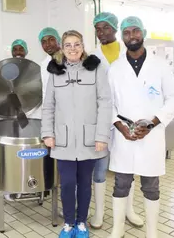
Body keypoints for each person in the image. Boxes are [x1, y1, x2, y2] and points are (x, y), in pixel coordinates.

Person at [107, 16, 174, 238]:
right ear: (122, 37)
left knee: (151, 186)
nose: (132, 35)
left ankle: (152, 233)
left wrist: (151, 124)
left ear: (144, 33)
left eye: (135, 31)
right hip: (124, 136)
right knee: (121, 184)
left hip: (151, 135)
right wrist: (120, 127)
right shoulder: (115, 68)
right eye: (127, 32)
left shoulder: (160, 65)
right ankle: (117, 229)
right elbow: (108, 103)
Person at [42, 30, 112, 238]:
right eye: (68, 45)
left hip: (89, 138)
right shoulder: (55, 72)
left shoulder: (95, 69)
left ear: (83, 46)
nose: (73, 48)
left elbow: (105, 103)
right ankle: (68, 223)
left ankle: (81, 223)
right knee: (67, 184)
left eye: (77, 44)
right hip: (62, 139)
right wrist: (48, 133)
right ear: (62, 49)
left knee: (84, 183)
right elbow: (48, 106)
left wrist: (101, 136)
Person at [90, 12, 143, 229]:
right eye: (97, 29)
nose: (101, 32)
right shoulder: (91, 57)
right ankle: (99, 212)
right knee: (100, 169)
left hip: (125, 120)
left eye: (105, 28)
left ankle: (129, 210)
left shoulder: (128, 52)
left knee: (127, 168)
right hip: (101, 120)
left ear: (115, 29)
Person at [38, 27, 61, 100]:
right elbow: (45, 91)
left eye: (51, 40)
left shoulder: (69, 59)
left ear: (58, 40)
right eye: (43, 42)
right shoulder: (44, 64)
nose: (47, 44)